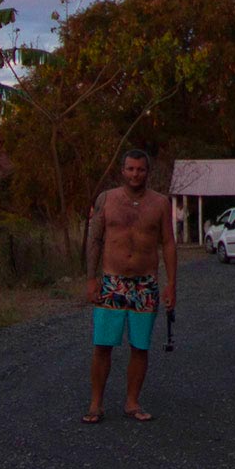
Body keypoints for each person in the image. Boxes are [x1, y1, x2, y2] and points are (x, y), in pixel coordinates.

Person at [82, 148, 176, 423]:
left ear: (148, 172)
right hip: (112, 281)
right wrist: (91, 278)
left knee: (140, 346)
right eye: (131, 169)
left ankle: (132, 402)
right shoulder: (107, 200)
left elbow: (169, 243)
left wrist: (171, 284)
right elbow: (95, 240)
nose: (136, 174)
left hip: (145, 283)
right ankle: (95, 403)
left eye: (141, 169)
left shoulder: (159, 203)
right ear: (123, 171)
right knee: (102, 344)